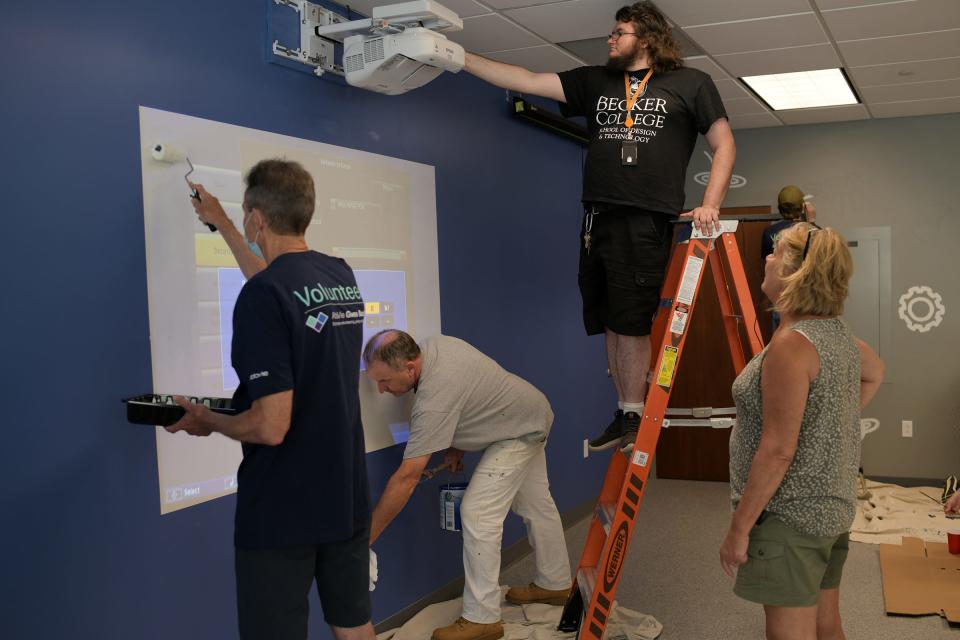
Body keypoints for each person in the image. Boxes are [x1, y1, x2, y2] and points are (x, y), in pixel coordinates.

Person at [463, 1, 736, 452]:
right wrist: (459, 59)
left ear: (646, 40)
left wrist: (710, 203)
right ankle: (624, 410)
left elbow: (723, 143)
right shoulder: (595, 80)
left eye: (620, 33)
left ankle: (633, 413)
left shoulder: (691, 84)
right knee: (609, 320)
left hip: (644, 215)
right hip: (596, 217)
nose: (611, 39)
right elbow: (527, 80)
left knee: (630, 323)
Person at [168, 160, 375, 640]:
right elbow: (279, 286)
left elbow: (270, 426)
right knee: (353, 625)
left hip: (284, 505)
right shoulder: (339, 275)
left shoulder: (264, 295)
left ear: (257, 217)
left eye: (244, 217)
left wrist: (208, 419)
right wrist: (222, 224)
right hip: (344, 493)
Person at [720, 223, 885, 640]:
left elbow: (777, 452)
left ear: (796, 272)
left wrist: (739, 530)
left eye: (776, 254)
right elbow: (876, 372)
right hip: (830, 510)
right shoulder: (836, 334)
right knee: (826, 625)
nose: (767, 258)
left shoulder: (792, 344)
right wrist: (827, 421)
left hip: (789, 516)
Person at [363, 330, 571, 640]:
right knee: (536, 505)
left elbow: (406, 478)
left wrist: (364, 540)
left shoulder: (434, 399)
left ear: (409, 367)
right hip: (528, 413)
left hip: (518, 431)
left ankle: (482, 617)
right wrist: (456, 444)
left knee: (477, 513)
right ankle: (555, 584)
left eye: (385, 381)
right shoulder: (432, 345)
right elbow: (475, 390)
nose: (380, 390)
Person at [761, 185, 817, 263]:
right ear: (802, 207)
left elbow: (767, 261)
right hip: (805, 274)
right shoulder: (814, 231)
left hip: (778, 274)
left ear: (779, 208)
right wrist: (812, 221)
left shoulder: (768, 232)